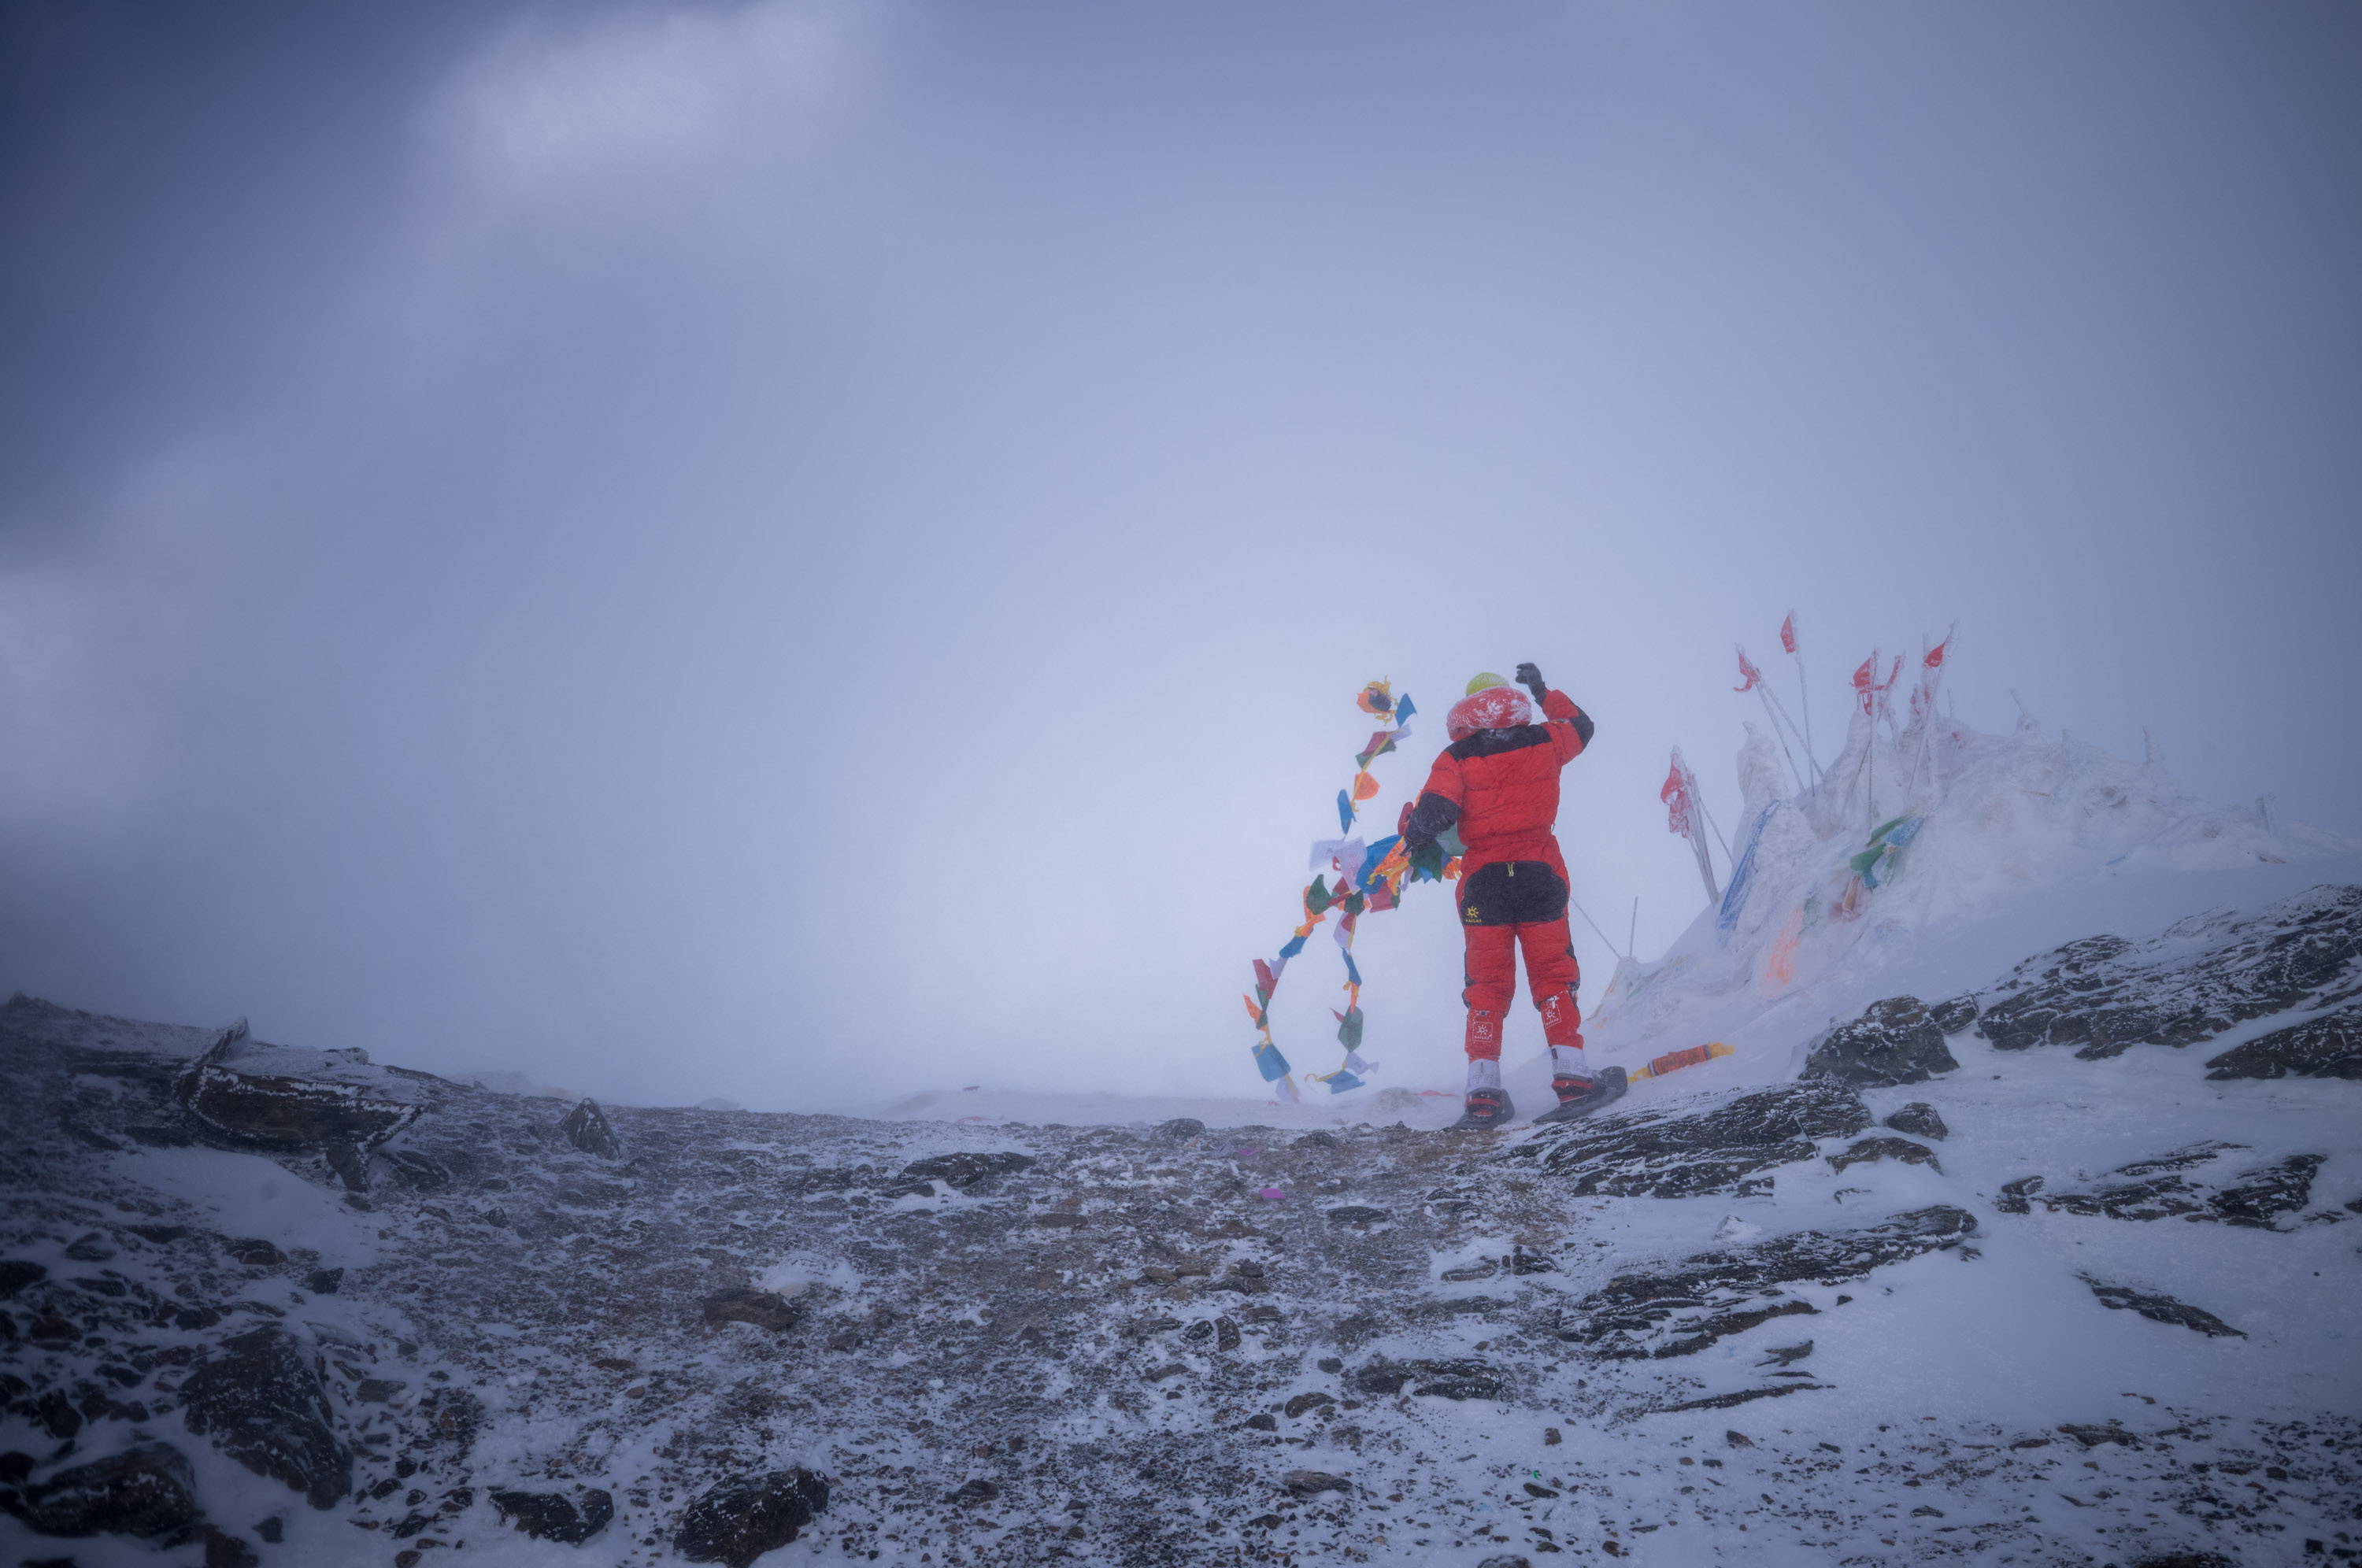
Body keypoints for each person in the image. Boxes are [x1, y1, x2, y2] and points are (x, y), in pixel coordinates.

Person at [1401, 664, 1623, 1130]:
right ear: (1511, 700)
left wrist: (1410, 834)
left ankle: (1483, 1093)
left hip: (1484, 885)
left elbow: (1433, 815)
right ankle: (1573, 1078)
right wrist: (1543, 690)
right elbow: (1583, 726)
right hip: (1541, 873)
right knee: (1554, 974)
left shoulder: (1456, 756)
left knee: (1487, 985)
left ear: (1466, 711)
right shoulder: (1545, 739)